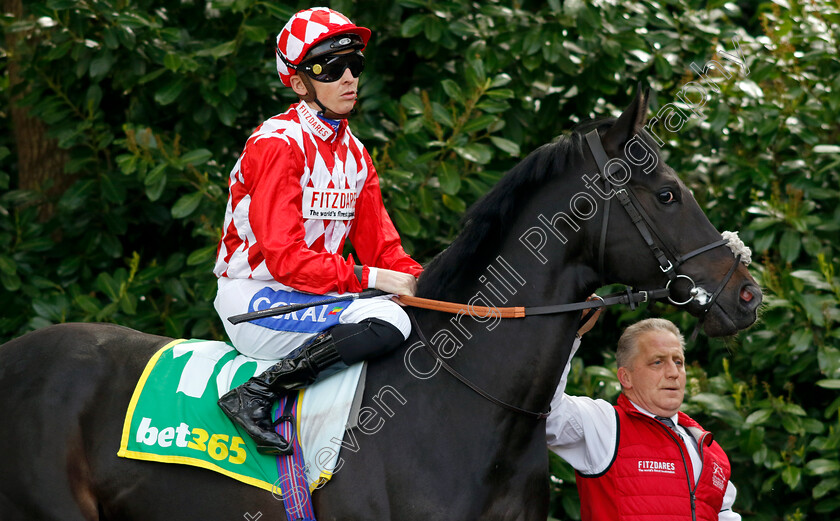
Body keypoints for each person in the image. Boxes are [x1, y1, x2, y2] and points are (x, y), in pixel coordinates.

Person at [212, 7, 422, 455]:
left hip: (317, 295)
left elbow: (383, 248)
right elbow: (284, 258)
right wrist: (372, 279)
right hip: (254, 297)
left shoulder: (357, 154)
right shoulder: (276, 144)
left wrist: (427, 283)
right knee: (387, 320)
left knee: (417, 315)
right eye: (330, 67)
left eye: (355, 65)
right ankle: (257, 394)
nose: (348, 78)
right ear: (298, 81)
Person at [547, 317, 741, 521]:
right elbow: (547, 410)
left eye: (678, 362)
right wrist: (571, 333)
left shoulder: (709, 448)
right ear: (625, 378)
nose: (673, 373)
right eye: (658, 362)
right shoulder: (605, 423)